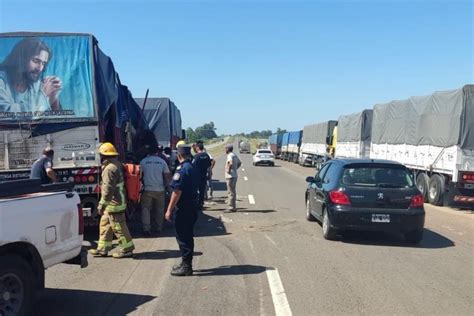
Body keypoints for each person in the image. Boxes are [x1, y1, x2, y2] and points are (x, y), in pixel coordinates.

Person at [89, 142, 135, 259]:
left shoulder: (109, 169)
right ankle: (103, 249)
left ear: (104, 155)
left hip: (115, 203)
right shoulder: (116, 164)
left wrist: (101, 204)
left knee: (119, 227)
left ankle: (127, 249)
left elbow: (107, 189)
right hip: (114, 202)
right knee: (105, 225)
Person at [0, 37, 62, 113]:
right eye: (36, 61)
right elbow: (8, 114)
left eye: (43, 63)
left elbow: (57, 118)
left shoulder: (36, 84)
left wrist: (53, 97)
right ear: (21, 59)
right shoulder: (1, 81)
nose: (40, 68)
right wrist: (43, 96)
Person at [165, 142, 199, 276]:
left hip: (184, 208)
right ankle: (186, 262)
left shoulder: (182, 169)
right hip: (192, 206)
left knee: (183, 237)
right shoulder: (192, 167)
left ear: (179, 155)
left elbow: (176, 192)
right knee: (187, 236)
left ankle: (186, 266)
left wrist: (169, 210)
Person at [139, 145, 171, 236]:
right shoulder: (162, 162)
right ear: (157, 152)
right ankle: (159, 228)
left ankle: (146, 228)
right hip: (160, 189)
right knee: (160, 209)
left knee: (146, 209)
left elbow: (139, 176)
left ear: (147, 152)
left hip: (147, 189)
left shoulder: (143, 162)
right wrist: (169, 188)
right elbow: (167, 176)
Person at [192, 141, 211, 211]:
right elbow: (209, 166)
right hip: (204, 176)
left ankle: (195, 203)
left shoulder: (196, 156)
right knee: (202, 191)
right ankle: (201, 204)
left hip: (197, 176)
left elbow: (192, 166)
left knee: (195, 190)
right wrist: (209, 174)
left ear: (197, 148)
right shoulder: (206, 155)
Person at [225, 144, 241, 212]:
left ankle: (231, 207)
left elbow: (230, 163)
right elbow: (239, 163)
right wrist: (235, 169)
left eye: (226, 149)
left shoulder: (230, 155)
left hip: (230, 176)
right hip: (234, 175)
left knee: (230, 192)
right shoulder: (234, 155)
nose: (225, 150)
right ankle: (233, 206)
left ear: (228, 149)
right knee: (233, 191)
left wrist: (228, 170)